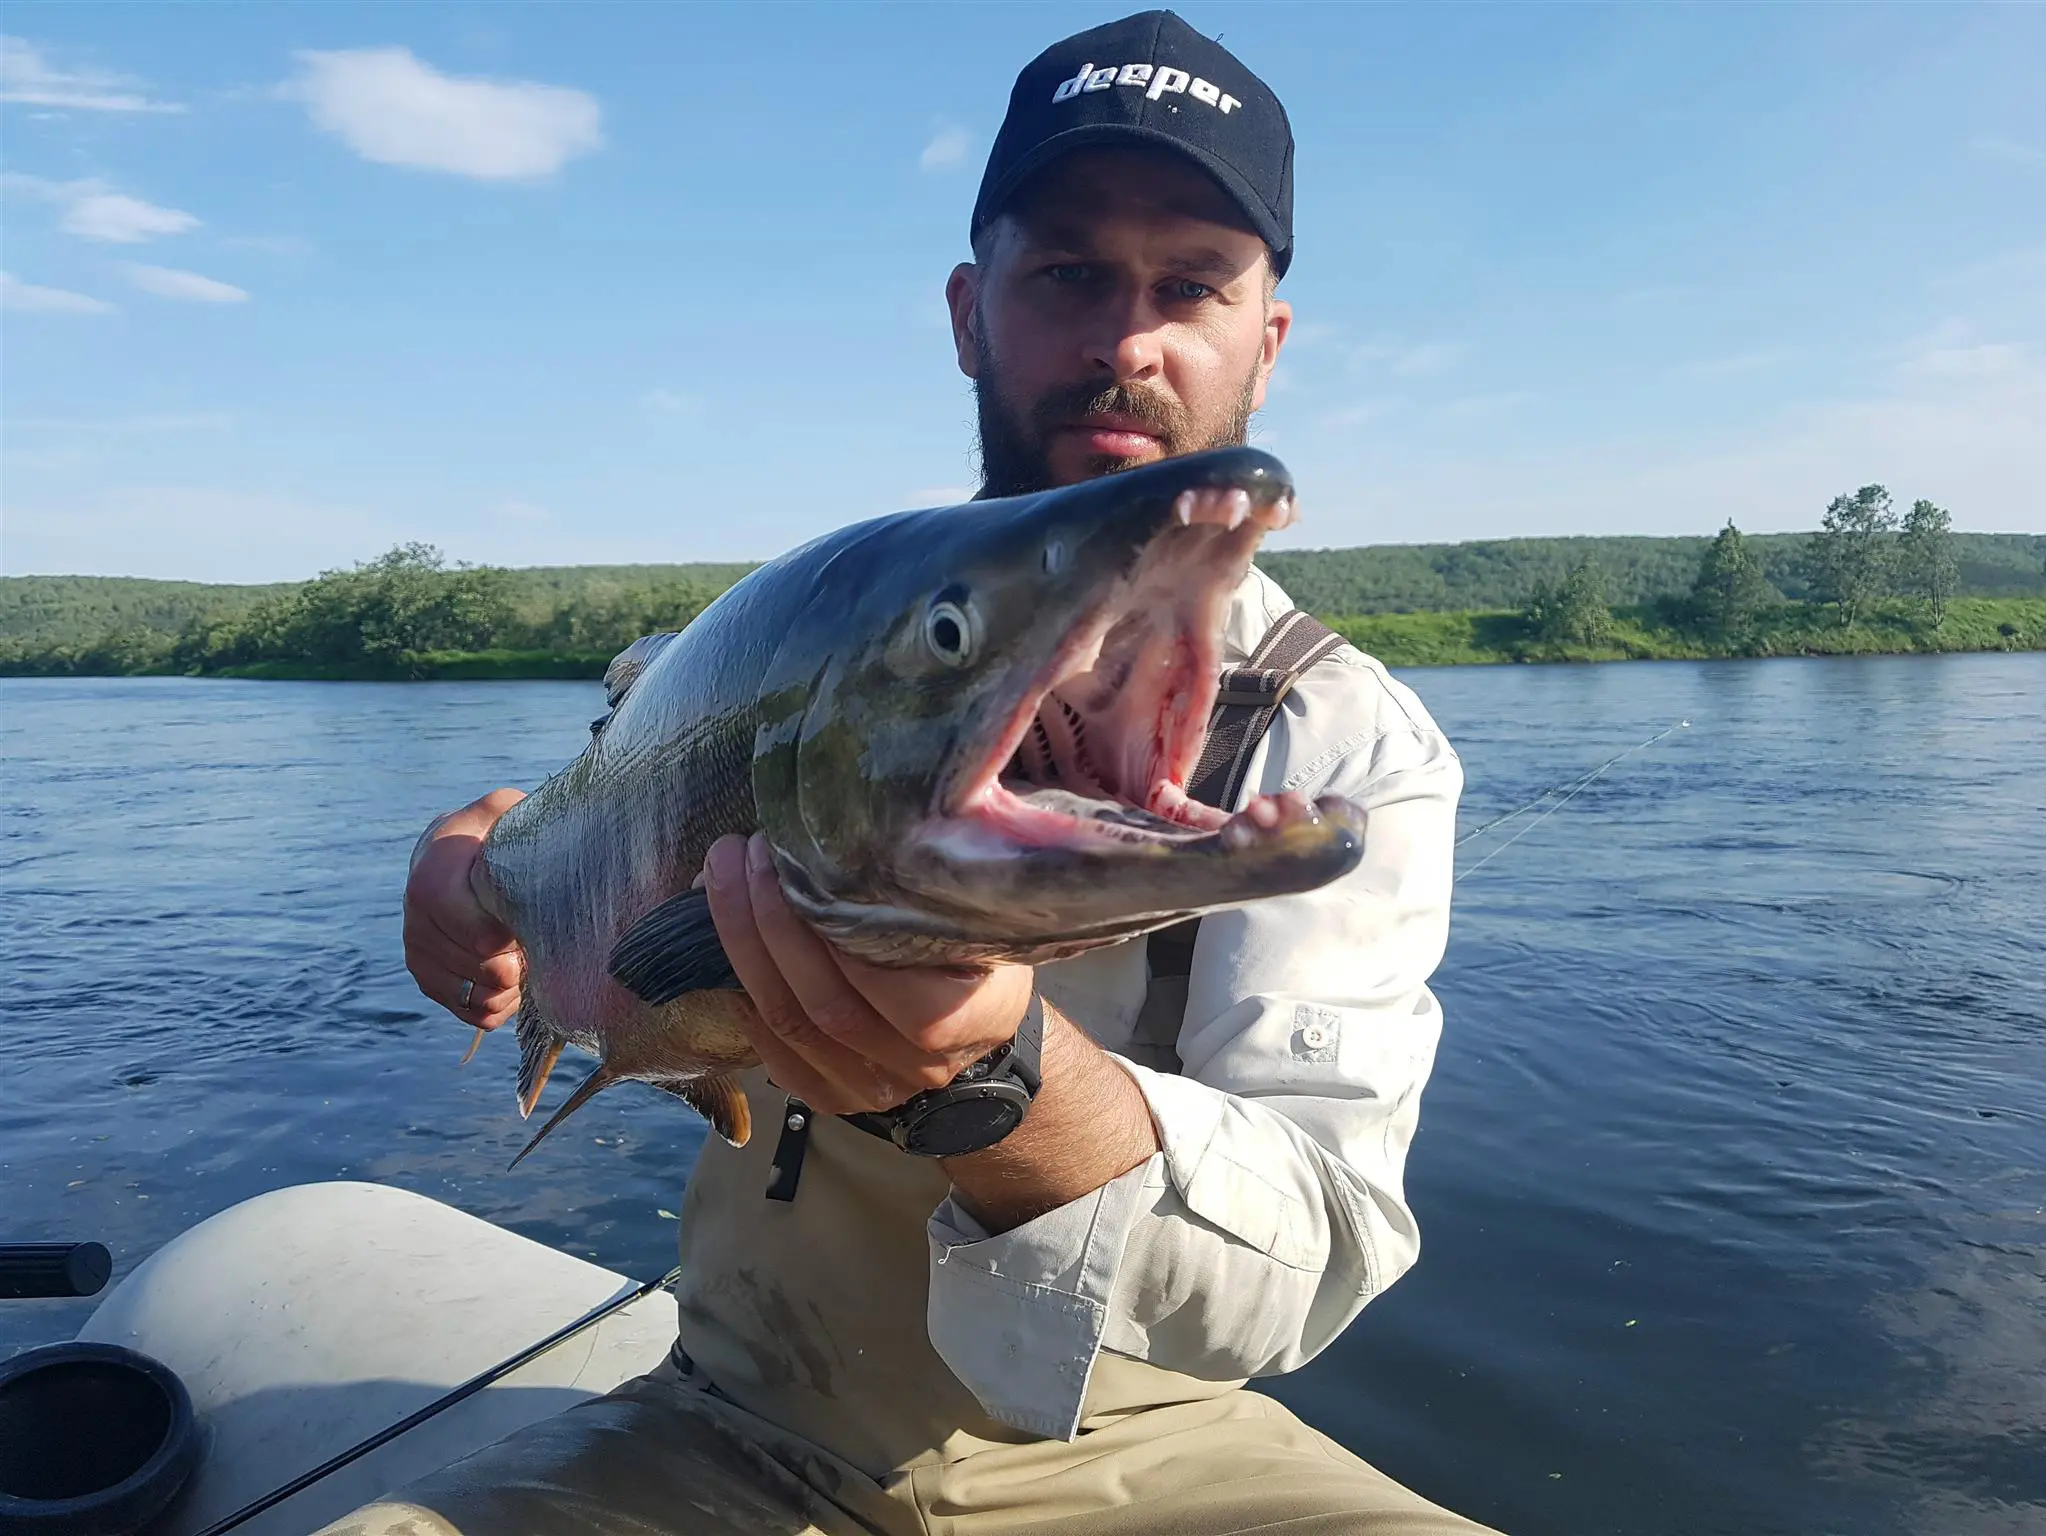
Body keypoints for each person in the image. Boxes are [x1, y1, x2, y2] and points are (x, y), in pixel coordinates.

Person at [336, 12, 1497, 1534]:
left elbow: (1321, 1253)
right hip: (731, 1414)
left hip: (1146, 1457)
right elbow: (594, 820)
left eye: (1192, 285)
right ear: (971, 313)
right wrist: (470, 863)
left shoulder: (1349, 744)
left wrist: (1003, 1076)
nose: (1127, 342)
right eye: (1068, 272)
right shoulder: (797, 629)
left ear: (1264, 342)